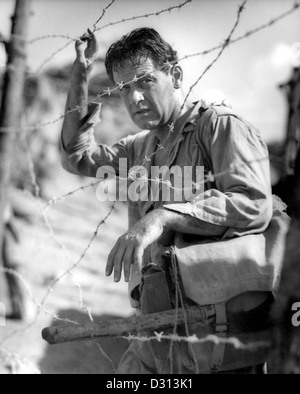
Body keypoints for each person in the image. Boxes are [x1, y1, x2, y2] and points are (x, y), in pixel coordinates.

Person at [61, 28, 276, 374]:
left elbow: (252, 202)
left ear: (174, 75)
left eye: (144, 82)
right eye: (123, 89)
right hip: (157, 327)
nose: (134, 99)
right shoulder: (137, 148)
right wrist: (80, 77)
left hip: (217, 338)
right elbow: (76, 157)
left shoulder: (218, 127)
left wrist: (163, 216)